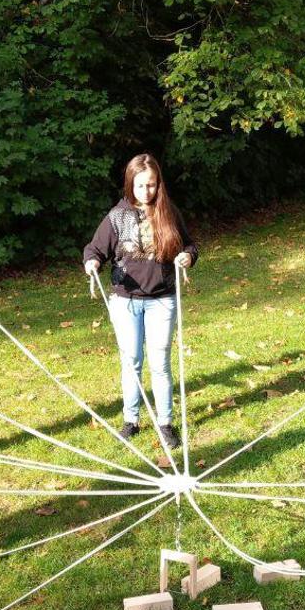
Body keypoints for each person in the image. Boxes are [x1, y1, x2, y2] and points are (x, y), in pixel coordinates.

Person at [83, 153, 198, 450]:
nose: (146, 192)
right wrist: (92, 262)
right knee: (132, 361)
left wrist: (187, 256)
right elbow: (95, 249)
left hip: (162, 299)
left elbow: (189, 245)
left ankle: (165, 423)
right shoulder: (117, 216)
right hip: (126, 301)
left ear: (159, 184)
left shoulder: (168, 212)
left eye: (151, 185)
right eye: (140, 186)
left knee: (160, 362)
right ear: (129, 184)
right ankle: (130, 420)